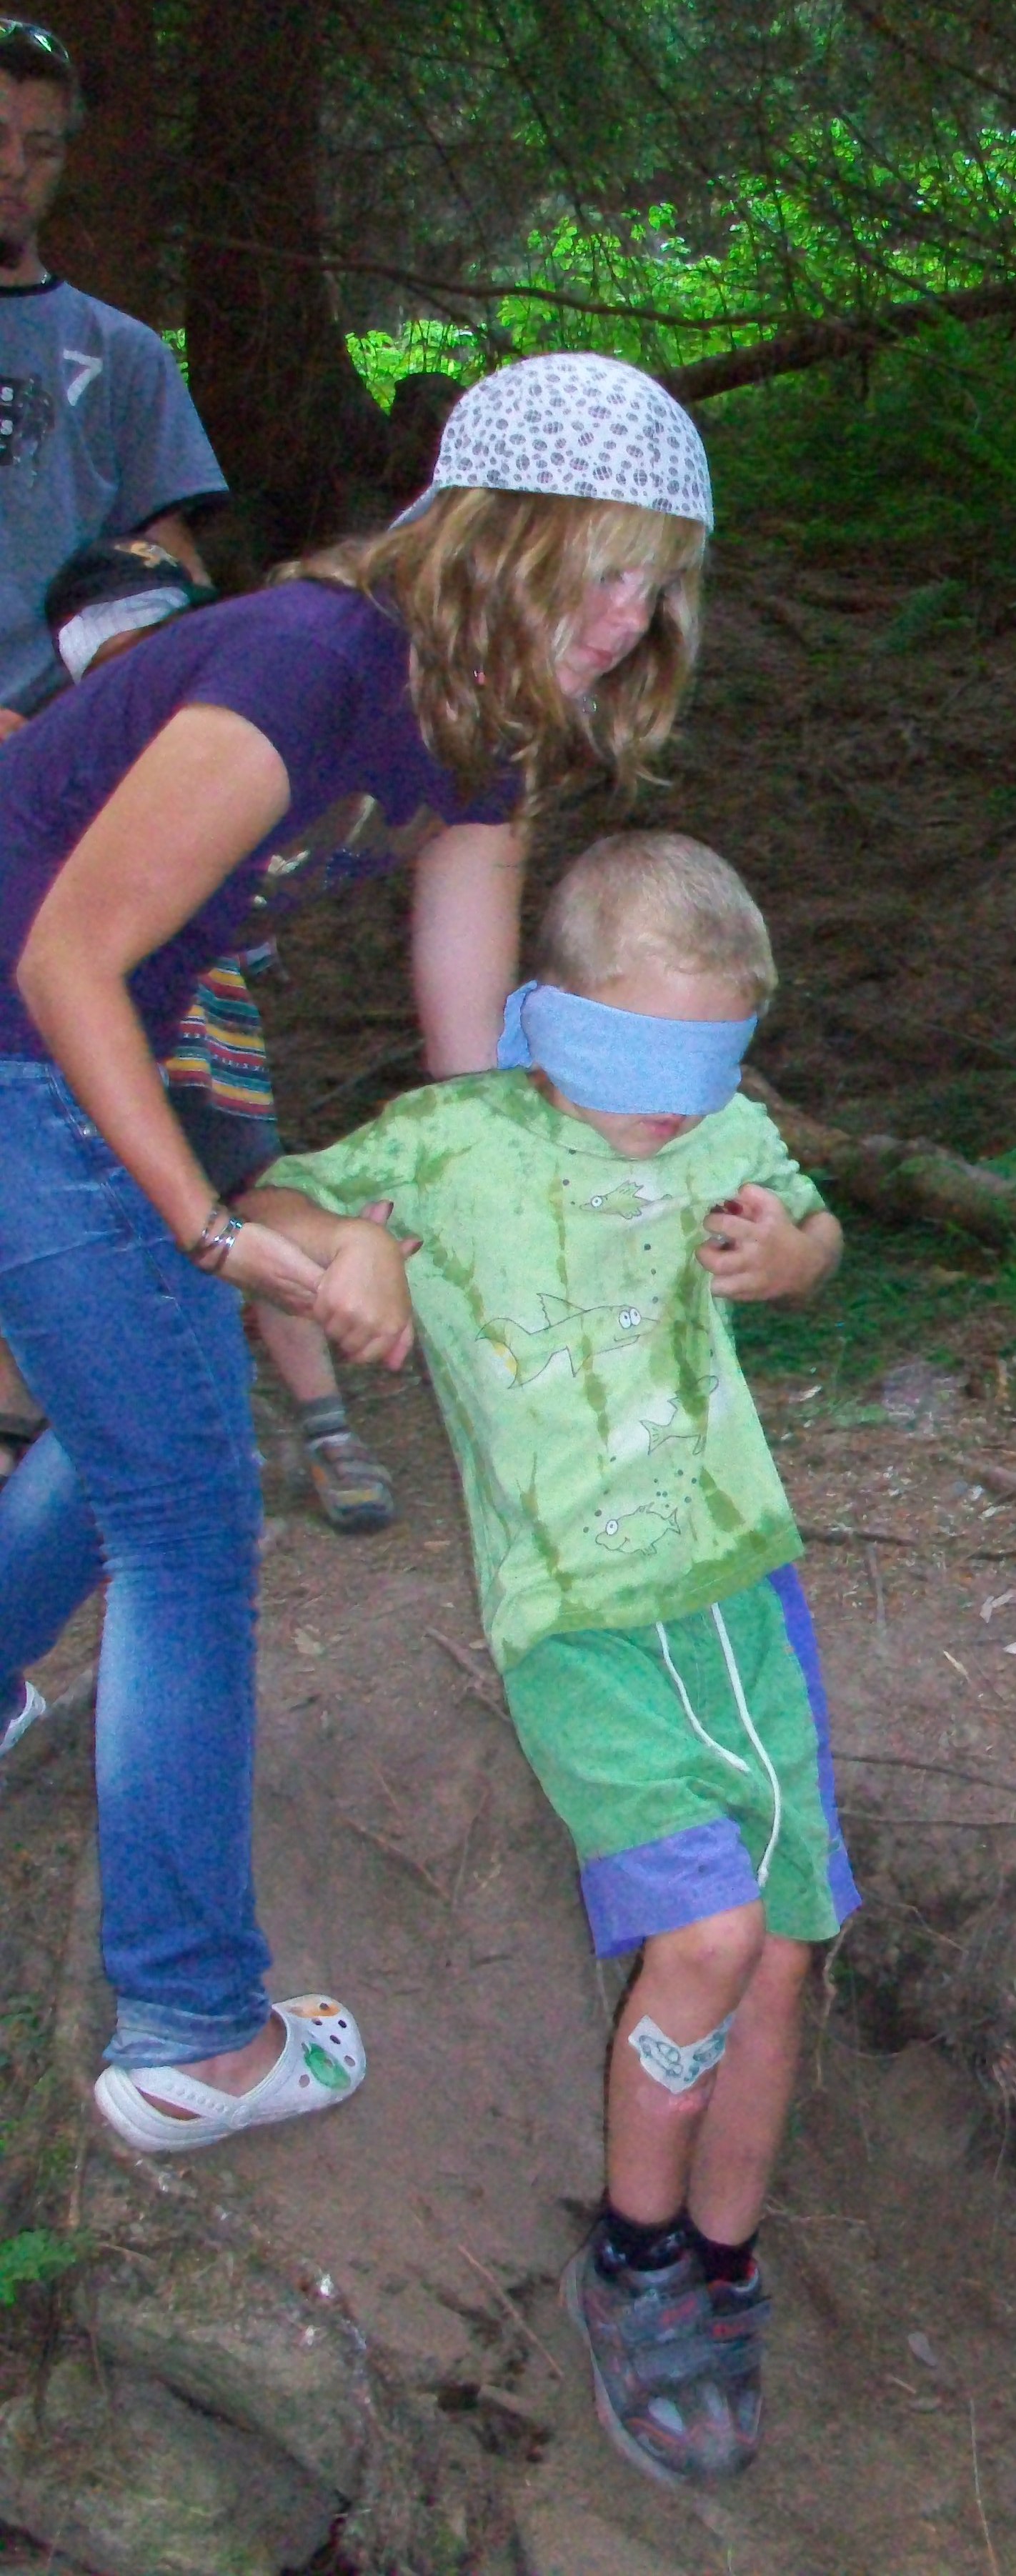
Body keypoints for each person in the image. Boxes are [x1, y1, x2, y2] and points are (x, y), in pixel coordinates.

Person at [0, 349, 713, 2151]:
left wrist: (464, 1220)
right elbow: (68, 957)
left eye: (656, 584)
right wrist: (217, 1228)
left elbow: (465, 1038)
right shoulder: (306, 663)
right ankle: (190, 2033)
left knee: (140, 1420)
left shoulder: (490, 723)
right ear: (487, 531)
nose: (623, 622)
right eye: (595, 568)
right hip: (28, 1031)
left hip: (79, 1034)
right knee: (188, 1515)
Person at [248, 829, 857, 2481]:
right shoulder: (457, 1143)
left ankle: (725, 2260)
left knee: (785, 1955)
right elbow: (261, 1207)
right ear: (561, 1014)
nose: (675, 1109)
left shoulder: (717, 1129)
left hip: (746, 1600)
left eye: (709, 1066)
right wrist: (353, 1245)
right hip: (581, 1625)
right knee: (711, 1936)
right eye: (645, 1065)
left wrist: (792, 1258)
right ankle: (635, 2259)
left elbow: (811, 1228)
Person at [42, 534, 397, 1533]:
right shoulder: (71, 747)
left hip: (211, 1022)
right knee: (93, 1229)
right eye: (136, 640)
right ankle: (77, 1459)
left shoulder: (224, 726)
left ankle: (326, 1427)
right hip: (90, 1036)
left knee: (253, 1190)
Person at [0, 16, 226, 732]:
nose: (14, 167)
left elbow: (169, 570)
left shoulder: (122, 354)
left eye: (42, 148)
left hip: (61, 741)